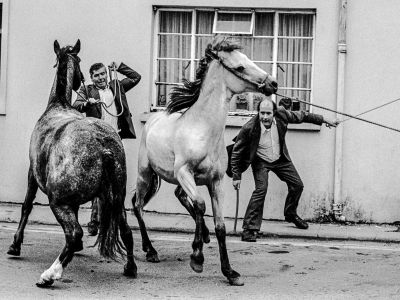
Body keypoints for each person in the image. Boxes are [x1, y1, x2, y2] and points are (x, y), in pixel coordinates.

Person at [230, 97, 339, 242]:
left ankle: (290, 214)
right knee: (261, 190)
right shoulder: (249, 128)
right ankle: (249, 229)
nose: (264, 117)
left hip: (280, 159)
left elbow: (303, 116)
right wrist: (236, 176)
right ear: (258, 113)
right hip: (261, 161)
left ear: (274, 112)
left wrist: (325, 119)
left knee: (297, 185)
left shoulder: (282, 115)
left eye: (268, 113)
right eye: (262, 113)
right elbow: (237, 152)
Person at [73, 61, 141, 236]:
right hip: (97, 140)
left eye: (103, 74)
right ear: (92, 78)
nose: (101, 78)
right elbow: (76, 106)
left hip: (116, 139)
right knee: (99, 179)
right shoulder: (87, 90)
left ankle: (114, 218)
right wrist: (87, 103)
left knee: (117, 179)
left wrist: (119, 67)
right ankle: (95, 220)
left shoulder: (117, 86)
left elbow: (136, 77)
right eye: (96, 75)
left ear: (107, 74)